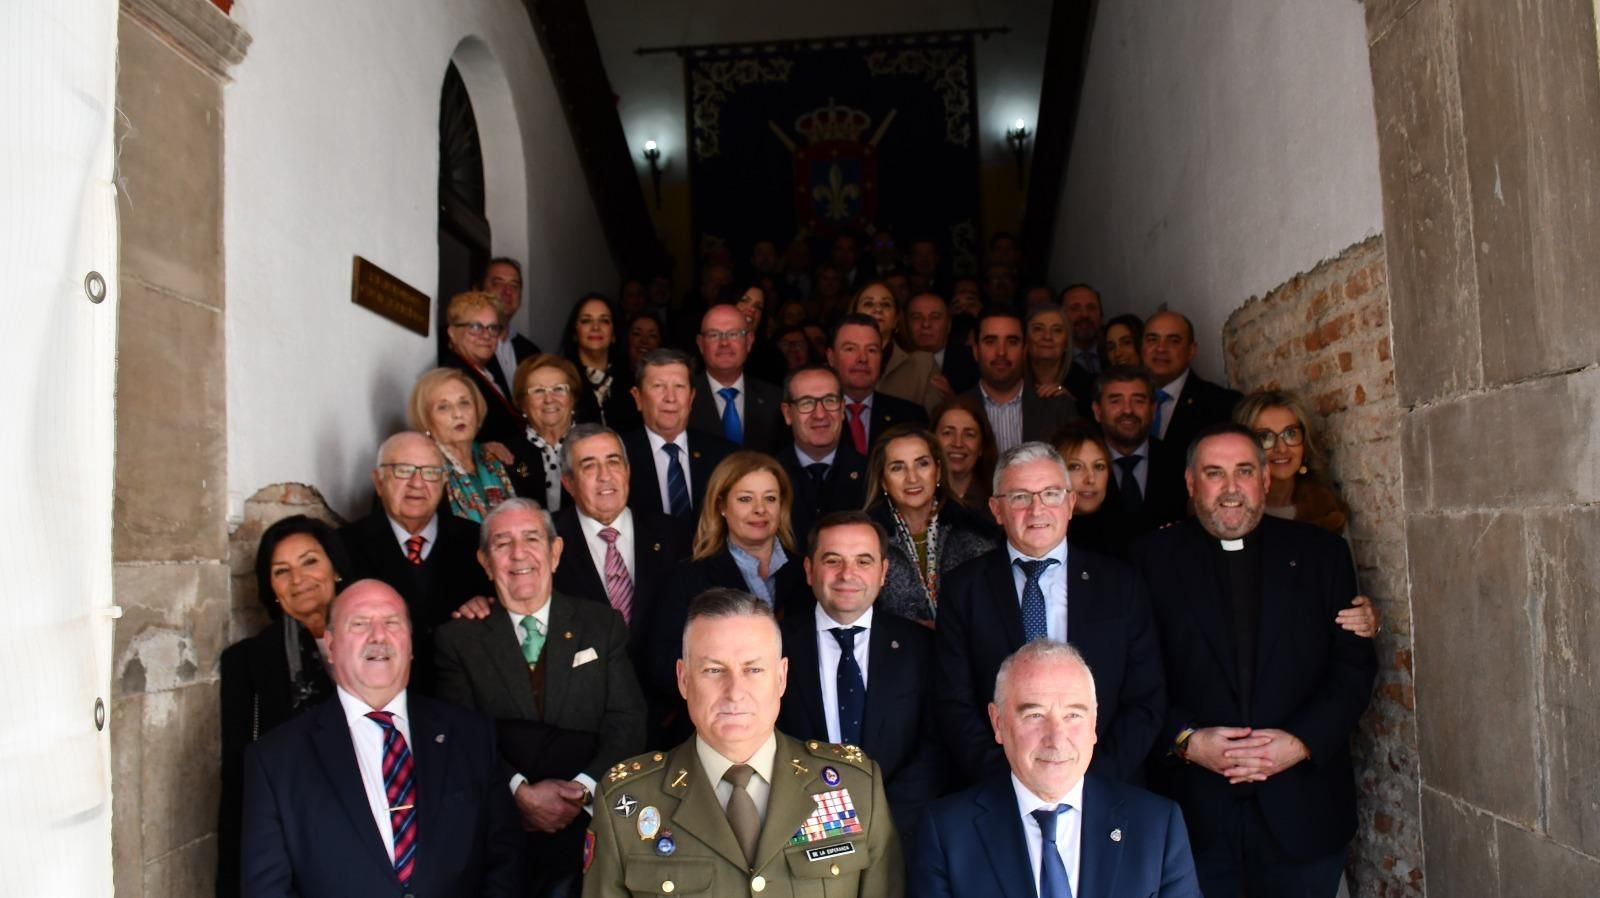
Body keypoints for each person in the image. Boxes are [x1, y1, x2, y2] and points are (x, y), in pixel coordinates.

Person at [1130, 425, 1377, 897]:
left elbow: (1353, 669)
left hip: (1303, 809)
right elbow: (1136, 674)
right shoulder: (1148, 559)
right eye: (1214, 473)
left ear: (1265, 480)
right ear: (1189, 482)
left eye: (1244, 472)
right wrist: (1185, 740)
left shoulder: (1322, 555)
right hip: (1191, 813)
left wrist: (1302, 741)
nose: (1230, 488)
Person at [584, 589, 905, 898]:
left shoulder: (854, 788)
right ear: (683, 679)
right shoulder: (626, 805)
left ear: (781, 677)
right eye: (713, 670)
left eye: (753, 669)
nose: (734, 692)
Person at [240, 580, 524, 897]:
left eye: (392, 622)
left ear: (411, 644)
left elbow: (505, 863)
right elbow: (266, 890)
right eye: (359, 624)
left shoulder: (472, 737)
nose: (378, 636)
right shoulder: (275, 759)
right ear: (331, 647)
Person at [434, 499, 647, 898]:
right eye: (502, 543)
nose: (519, 554)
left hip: (595, 830)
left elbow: (628, 719)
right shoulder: (458, 640)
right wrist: (519, 793)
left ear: (555, 552)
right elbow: (459, 740)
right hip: (505, 840)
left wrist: (581, 790)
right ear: (484, 561)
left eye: (531, 538)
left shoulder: (600, 624)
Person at [936, 442, 1166, 785]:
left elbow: (1146, 698)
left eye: (1050, 494)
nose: (1036, 509)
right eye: (1019, 497)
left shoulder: (1121, 584)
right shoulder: (963, 589)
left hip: (1106, 787)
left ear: (1071, 503)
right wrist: (1013, 784)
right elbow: (954, 704)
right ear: (996, 509)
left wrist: (1088, 782)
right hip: (998, 791)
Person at [912, 641, 1202, 898]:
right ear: (998, 722)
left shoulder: (1156, 826)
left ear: (1094, 722)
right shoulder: (947, 832)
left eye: (1073, 715)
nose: (1057, 737)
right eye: (1035, 715)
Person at [778, 511, 945, 837]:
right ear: (809, 570)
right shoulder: (773, 646)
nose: (847, 574)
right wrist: (828, 820)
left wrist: (878, 817)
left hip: (898, 832)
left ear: (883, 572)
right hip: (799, 832)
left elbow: (935, 746)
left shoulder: (921, 647)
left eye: (863, 561)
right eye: (833, 560)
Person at [218, 516, 351, 898]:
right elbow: (236, 783)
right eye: (282, 571)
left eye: (310, 561)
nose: (298, 579)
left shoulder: (384, 640)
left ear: (335, 568)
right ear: (271, 588)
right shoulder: (246, 662)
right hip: (295, 853)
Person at [648, 452, 811, 742]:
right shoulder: (688, 577)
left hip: (800, 731)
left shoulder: (807, 573)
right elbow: (663, 666)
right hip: (718, 731)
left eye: (770, 499)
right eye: (746, 499)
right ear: (721, 505)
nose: (760, 509)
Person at [340, 432, 491, 692]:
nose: (417, 483)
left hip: (463, 697)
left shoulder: (477, 540)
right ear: (379, 481)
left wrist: (484, 605)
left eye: (430, 472)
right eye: (403, 470)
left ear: (444, 481)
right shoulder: (344, 546)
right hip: (380, 695)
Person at [864, 424, 997, 626]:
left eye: (922, 464)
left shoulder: (977, 532)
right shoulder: (864, 538)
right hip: (890, 653)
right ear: (883, 481)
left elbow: (991, 614)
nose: (912, 477)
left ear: (938, 471)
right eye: (897, 467)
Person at [620, 348, 734, 521]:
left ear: (691, 398)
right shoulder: (619, 456)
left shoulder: (723, 456)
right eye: (658, 386)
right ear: (638, 398)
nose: (670, 398)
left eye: (679, 387)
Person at [1091, 366, 1191, 538]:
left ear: (1153, 410)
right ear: (1097, 411)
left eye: (1138, 401)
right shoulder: (1079, 466)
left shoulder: (1179, 462)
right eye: (1116, 401)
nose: (1128, 410)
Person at [778, 365, 868, 548]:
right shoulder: (769, 476)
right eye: (806, 403)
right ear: (788, 414)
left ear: (842, 409)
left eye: (830, 401)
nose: (820, 414)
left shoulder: (871, 473)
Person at [409, 368, 515, 523]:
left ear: (477, 411)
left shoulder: (496, 456)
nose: (458, 413)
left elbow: (526, 483)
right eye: (443, 407)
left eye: (464, 403)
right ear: (426, 420)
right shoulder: (424, 473)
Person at [965, 307, 1077, 454]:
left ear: (1025, 350)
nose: (1001, 352)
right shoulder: (956, 409)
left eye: (1012, 341)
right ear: (975, 351)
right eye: (990, 341)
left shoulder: (1058, 408)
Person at [828, 312, 930, 457]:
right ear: (831, 358)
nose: (862, 358)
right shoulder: (813, 416)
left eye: (872, 350)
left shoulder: (911, 417)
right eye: (850, 349)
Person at [1140, 311, 1242, 453]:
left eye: (1174, 340)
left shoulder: (1223, 405)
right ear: (1141, 348)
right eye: (1152, 339)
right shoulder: (1125, 403)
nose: (1161, 348)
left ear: (1191, 351)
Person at [689, 303, 784, 454]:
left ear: (749, 341)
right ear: (701, 344)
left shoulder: (776, 400)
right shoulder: (683, 399)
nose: (724, 343)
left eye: (733, 334)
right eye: (714, 335)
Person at [439, 289, 528, 447]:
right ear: (452, 333)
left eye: (493, 328)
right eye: (475, 327)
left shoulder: (488, 373)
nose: (486, 335)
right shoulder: (453, 377)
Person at [852, 281, 945, 413]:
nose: (878, 309)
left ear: (896, 320)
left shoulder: (923, 365)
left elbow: (934, 422)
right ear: (854, 316)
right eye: (868, 304)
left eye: (886, 304)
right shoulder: (836, 365)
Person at [510, 353, 581, 513]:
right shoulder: (508, 455)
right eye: (538, 391)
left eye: (559, 389)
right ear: (522, 404)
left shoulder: (595, 445)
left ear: (573, 398)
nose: (549, 399)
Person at [562, 293, 642, 434]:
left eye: (604, 320)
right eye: (586, 320)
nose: (595, 327)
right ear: (574, 333)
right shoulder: (561, 380)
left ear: (614, 334)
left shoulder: (632, 382)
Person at [1049, 421, 1129, 558]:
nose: (1090, 479)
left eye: (1099, 466)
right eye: (1075, 467)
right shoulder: (1038, 535)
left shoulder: (1128, 538)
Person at [480, 257, 541, 384]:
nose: (507, 291)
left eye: (514, 285)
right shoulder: (462, 342)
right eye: (498, 283)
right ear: (478, 290)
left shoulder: (532, 353)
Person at [933, 393, 998, 510]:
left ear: (981, 446)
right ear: (932, 440)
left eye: (969, 435)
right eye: (948, 433)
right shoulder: (919, 497)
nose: (958, 443)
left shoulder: (998, 501)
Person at [906, 291, 980, 394]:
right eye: (917, 317)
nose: (926, 324)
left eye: (935, 317)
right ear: (906, 324)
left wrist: (952, 400)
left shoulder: (972, 361)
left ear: (949, 325)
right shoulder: (895, 363)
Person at [1060, 284, 1104, 418]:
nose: (1084, 314)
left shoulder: (1115, 355)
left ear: (1101, 316)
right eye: (1075, 308)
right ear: (1060, 316)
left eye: (1091, 308)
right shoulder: (1055, 364)